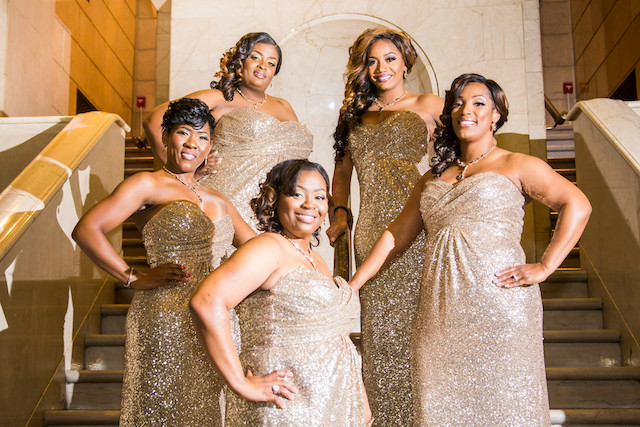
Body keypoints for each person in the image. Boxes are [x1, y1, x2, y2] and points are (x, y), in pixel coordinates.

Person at [350, 73, 592, 425]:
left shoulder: (516, 164)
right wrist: (354, 284)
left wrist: (544, 266)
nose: (467, 110)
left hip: (500, 308)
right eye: (459, 103)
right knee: (439, 408)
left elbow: (577, 204)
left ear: (496, 114)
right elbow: (396, 235)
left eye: (479, 103)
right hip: (439, 311)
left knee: (507, 408)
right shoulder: (432, 178)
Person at [73, 98, 255, 426]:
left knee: (208, 410)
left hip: (217, 317)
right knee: (165, 409)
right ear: (166, 137)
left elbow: (256, 249)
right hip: (165, 315)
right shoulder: (148, 183)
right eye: (183, 132)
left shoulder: (218, 198)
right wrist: (132, 277)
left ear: (209, 146)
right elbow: (87, 230)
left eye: (202, 136)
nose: (192, 143)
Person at [190, 159, 372, 426]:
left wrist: (361, 409)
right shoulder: (269, 247)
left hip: (332, 405)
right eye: (297, 194)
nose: (310, 204)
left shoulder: (316, 261)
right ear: (275, 200)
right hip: (286, 408)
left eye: (319, 196)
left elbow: (337, 341)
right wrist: (240, 383)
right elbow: (206, 301)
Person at [325, 27, 444, 425]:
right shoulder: (353, 115)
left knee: (421, 327)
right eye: (372, 61)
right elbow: (342, 174)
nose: (381, 68)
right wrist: (339, 213)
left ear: (405, 62)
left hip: (419, 226)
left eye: (390, 58)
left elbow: (468, 146)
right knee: (380, 332)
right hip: (372, 228)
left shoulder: (429, 104)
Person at [144, 32, 313, 229]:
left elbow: (299, 165)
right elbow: (154, 120)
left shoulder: (284, 106)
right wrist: (179, 172)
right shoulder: (220, 98)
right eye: (255, 57)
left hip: (273, 209)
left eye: (271, 63)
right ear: (241, 61)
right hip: (228, 199)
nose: (263, 66)